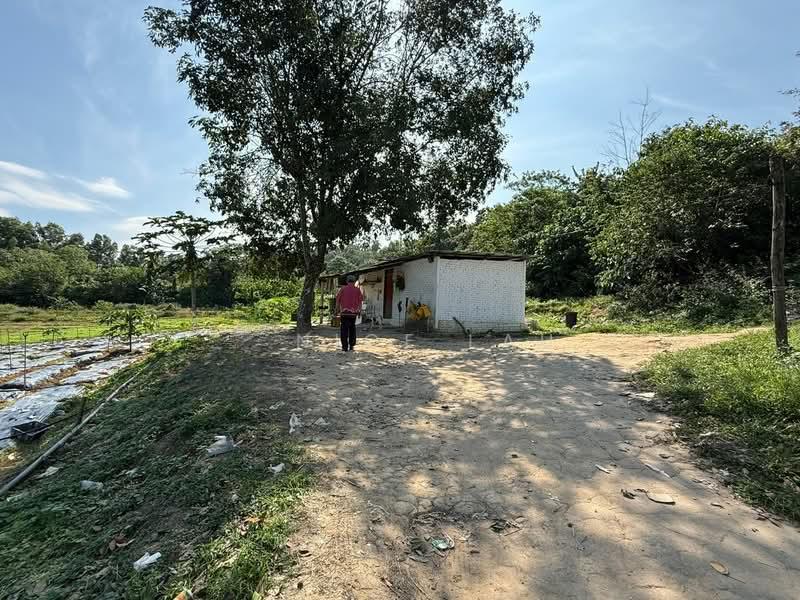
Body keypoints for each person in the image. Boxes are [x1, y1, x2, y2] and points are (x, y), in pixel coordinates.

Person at [336, 274, 363, 351]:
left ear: (347, 281)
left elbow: (337, 300)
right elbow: (360, 301)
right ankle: (351, 345)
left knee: (344, 330)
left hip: (344, 313)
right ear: (354, 281)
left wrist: (337, 310)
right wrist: (359, 311)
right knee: (352, 328)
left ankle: (344, 347)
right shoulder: (357, 290)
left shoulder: (343, 289)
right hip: (353, 314)